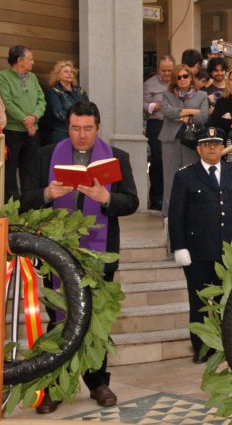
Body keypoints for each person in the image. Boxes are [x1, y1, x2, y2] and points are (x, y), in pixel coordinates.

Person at [21, 100, 139, 413]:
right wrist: (48, 194)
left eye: (87, 128)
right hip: (55, 251)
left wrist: (106, 198)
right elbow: (22, 201)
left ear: (98, 128)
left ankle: (98, 382)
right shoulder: (46, 155)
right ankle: (55, 385)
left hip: (99, 251)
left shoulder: (117, 157)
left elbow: (132, 202)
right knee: (58, 316)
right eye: (75, 128)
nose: (81, 134)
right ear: (68, 126)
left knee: (96, 316)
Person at [169, 127, 232, 364]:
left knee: (230, 300)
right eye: (207, 144)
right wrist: (179, 247)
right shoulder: (185, 176)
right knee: (199, 302)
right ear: (199, 149)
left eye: (216, 143)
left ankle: (230, 346)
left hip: (229, 251)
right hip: (198, 251)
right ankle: (202, 348)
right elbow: (176, 215)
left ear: (222, 147)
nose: (212, 148)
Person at [158, 64, 209, 221]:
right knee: (170, 178)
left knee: (191, 176)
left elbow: (203, 117)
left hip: (190, 141)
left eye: (185, 76)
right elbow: (167, 112)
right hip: (170, 140)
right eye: (178, 77)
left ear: (190, 77)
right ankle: (169, 214)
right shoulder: (167, 95)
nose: (182, 80)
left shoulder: (201, 95)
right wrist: (190, 112)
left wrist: (179, 115)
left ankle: (191, 212)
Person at [0, 45, 46, 201]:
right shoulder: (3, 77)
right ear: (20, 60)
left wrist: (34, 116)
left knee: (31, 170)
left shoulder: (32, 77)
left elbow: (42, 100)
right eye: (30, 59)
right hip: (13, 132)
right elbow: (7, 103)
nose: (33, 62)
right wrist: (27, 122)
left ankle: (29, 205)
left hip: (33, 132)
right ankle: (12, 208)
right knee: (10, 171)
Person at [143, 55, 174, 210]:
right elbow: (143, 105)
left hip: (174, 123)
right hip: (157, 123)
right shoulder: (150, 84)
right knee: (158, 161)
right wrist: (158, 106)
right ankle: (156, 198)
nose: (167, 74)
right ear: (158, 70)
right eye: (164, 71)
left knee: (173, 161)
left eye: (170, 70)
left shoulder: (179, 81)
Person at [45, 60, 88, 143]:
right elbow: (59, 113)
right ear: (58, 75)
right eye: (66, 72)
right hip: (62, 132)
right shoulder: (53, 91)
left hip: (80, 131)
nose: (69, 74)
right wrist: (79, 120)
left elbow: (88, 108)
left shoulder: (79, 90)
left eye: (71, 72)